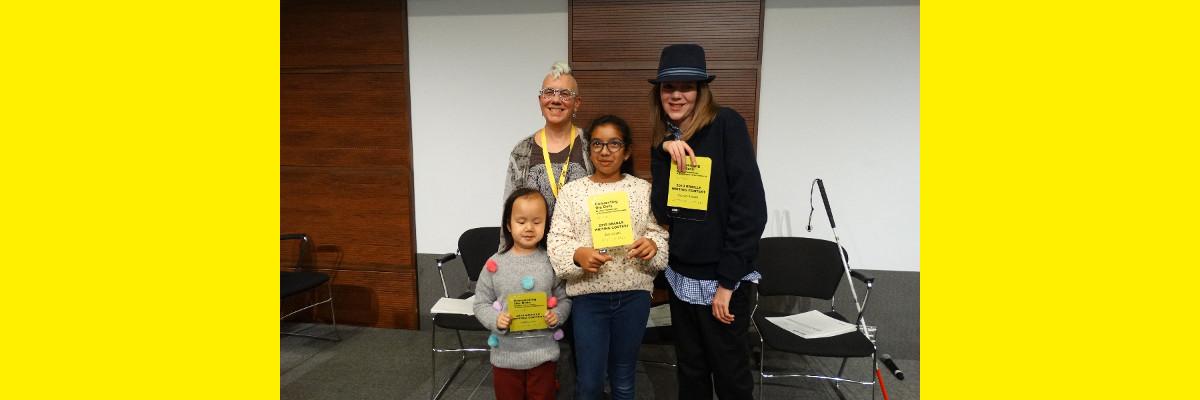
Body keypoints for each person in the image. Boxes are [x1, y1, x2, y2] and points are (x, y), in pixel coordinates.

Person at [647, 44, 768, 399]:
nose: (676, 94)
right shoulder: (666, 139)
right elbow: (662, 212)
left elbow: (750, 211)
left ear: (701, 90)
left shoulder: (726, 124)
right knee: (691, 370)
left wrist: (728, 282)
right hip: (682, 276)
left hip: (721, 280)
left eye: (686, 86)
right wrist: (663, 150)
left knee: (730, 376)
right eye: (669, 87)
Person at [547, 115, 669, 400]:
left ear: (626, 151)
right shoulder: (572, 192)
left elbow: (660, 236)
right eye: (598, 144)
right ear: (589, 150)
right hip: (589, 297)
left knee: (624, 378)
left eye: (614, 144)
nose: (605, 151)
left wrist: (652, 245)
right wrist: (578, 255)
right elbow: (557, 241)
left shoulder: (642, 190)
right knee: (589, 381)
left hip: (633, 295)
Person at [473, 188, 573, 400]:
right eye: (521, 221)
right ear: (509, 225)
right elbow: (480, 303)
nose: (529, 228)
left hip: (543, 354)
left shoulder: (551, 262)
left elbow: (564, 299)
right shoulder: (494, 264)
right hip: (506, 355)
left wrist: (557, 315)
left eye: (537, 222)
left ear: (546, 224)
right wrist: (495, 319)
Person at [503, 61, 592, 222]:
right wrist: (505, 248)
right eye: (549, 92)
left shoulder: (593, 145)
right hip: (534, 246)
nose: (556, 100)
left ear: (577, 103)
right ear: (540, 100)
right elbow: (509, 213)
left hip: (582, 246)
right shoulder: (521, 150)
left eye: (565, 93)